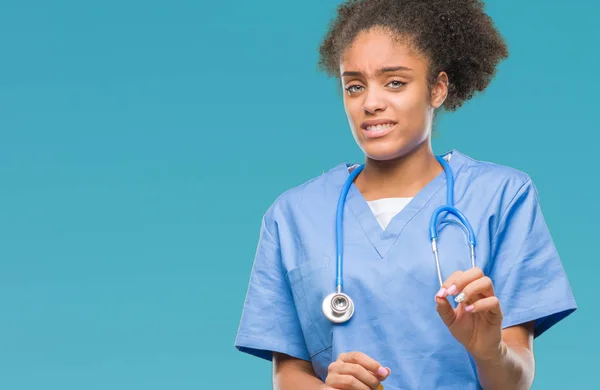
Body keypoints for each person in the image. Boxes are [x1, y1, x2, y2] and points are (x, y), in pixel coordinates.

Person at [234, 0, 577, 389]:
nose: (371, 102)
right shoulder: (294, 214)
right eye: (354, 86)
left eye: (394, 82)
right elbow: (286, 374)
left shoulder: (501, 197)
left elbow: (515, 380)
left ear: (437, 88)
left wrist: (489, 351)